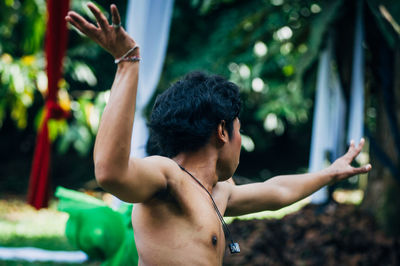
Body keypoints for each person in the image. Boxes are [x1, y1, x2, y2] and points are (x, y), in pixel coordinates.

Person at [66, 3, 372, 265]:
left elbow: (278, 191)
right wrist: (127, 64)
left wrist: (330, 174)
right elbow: (110, 172)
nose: (241, 140)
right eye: (239, 128)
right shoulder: (167, 176)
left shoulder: (218, 191)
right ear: (223, 131)